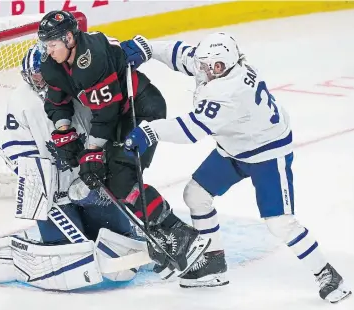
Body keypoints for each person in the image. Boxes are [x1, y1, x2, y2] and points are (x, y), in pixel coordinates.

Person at [122, 32, 352, 302]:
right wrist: (147, 47)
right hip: (235, 147)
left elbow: (192, 130)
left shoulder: (229, 91)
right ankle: (212, 264)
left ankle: (326, 274)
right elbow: (180, 53)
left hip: (267, 154)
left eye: (208, 66)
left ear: (221, 67)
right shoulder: (218, 67)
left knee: (280, 222)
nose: (202, 69)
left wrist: (151, 130)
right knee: (196, 195)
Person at [36, 10, 210, 275]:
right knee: (110, 180)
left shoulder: (91, 59)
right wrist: (64, 132)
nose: (48, 51)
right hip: (116, 117)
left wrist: (92, 151)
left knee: (122, 176)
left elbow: (106, 114)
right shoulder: (53, 64)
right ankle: (162, 236)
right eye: (45, 45)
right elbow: (56, 102)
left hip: (140, 110)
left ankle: (179, 233)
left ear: (69, 38)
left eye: (52, 44)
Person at [0, 44, 152, 291]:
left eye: (44, 72)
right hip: (53, 190)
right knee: (65, 248)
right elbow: (16, 147)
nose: (41, 79)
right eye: (36, 74)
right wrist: (33, 177)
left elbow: (105, 122)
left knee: (118, 239)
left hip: (87, 178)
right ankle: (17, 258)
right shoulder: (20, 100)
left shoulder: (75, 87)